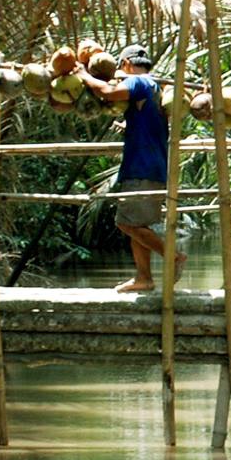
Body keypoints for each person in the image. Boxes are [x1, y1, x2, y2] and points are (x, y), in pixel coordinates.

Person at [76, 43, 186, 292]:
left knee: (127, 224)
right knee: (138, 226)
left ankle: (173, 256)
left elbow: (106, 93)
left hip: (142, 167)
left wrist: (83, 75)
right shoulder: (156, 89)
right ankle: (143, 278)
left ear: (125, 65)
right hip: (151, 165)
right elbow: (152, 124)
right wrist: (129, 127)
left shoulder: (138, 82)